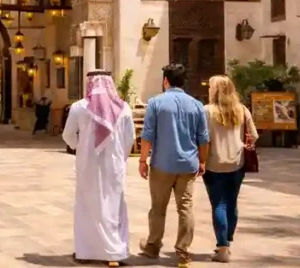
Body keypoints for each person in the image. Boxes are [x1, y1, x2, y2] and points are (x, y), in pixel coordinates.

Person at [139, 63, 210, 268]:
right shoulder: (196, 105)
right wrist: (203, 161)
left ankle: (153, 246)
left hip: (162, 163)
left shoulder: (156, 103)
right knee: (185, 208)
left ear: (165, 81)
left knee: (158, 208)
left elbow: (147, 135)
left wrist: (143, 160)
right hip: (188, 164)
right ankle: (183, 250)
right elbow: (204, 138)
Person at [62, 70, 135, 267]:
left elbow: (68, 135)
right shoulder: (124, 108)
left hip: (87, 165)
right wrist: (122, 156)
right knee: (113, 206)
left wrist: (80, 147)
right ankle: (114, 253)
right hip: (114, 165)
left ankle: (86, 251)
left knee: (87, 205)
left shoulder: (79, 107)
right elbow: (130, 139)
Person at [202, 76, 257, 263]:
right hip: (237, 162)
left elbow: (203, 139)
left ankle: (222, 246)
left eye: (210, 87)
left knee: (219, 204)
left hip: (213, 164)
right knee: (231, 203)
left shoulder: (207, 111)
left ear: (215, 90)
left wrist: (201, 161)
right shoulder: (242, 110)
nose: (208, 89)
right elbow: (253, 136)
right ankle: (227, 241)